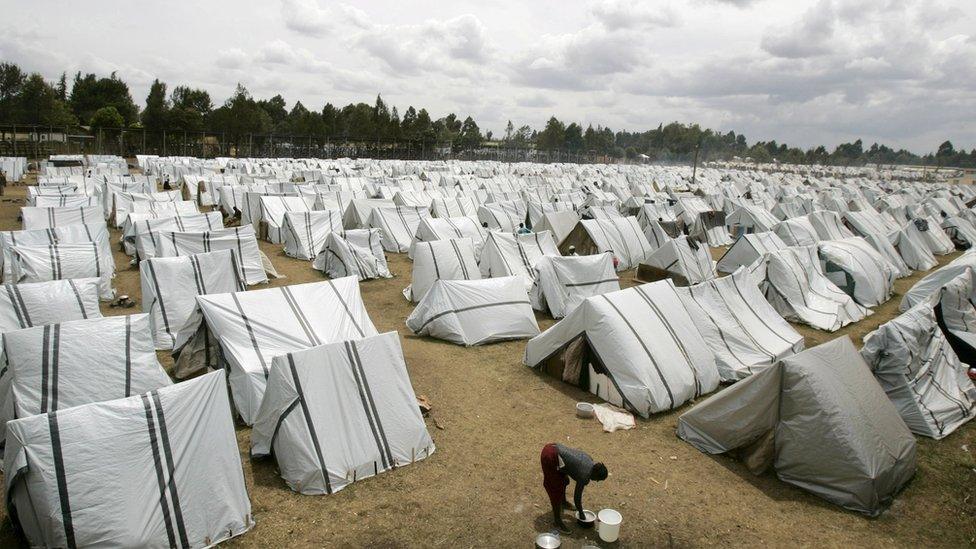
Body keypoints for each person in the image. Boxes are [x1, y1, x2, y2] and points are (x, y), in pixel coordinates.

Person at [540, 443, 608, 533]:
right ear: (595, 474)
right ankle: (557, 522)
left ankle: (563, 502)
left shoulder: (589, 460)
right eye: (598, 479)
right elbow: (577, 497)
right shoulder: (585, 475)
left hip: (553, 447)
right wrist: (581, 513)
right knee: (556, 490)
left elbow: (571, 465)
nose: (596, 481)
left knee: (564, 481)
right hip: (550, 456)